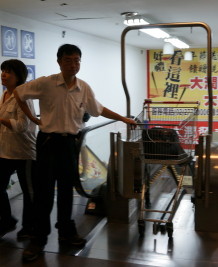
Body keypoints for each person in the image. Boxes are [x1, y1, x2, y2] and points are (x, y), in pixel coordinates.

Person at [14, 44, 137, 262]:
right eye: (69, 60)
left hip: (70, 144)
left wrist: (124, 119)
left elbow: (98, 109)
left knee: (65, 191)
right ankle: (38, 239)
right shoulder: (46, 83)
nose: (74, 64)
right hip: (48, 142)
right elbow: (19, 93)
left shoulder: (84, 88)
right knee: (43, 194)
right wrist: (33, 119)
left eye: (77, 60)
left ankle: (66, 233)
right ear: (59, 62)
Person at [0, 59, 36, 240]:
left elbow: (22, 125)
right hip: (5, 151)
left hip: (24, 152)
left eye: (8, 72)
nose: (3, 75)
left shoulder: (24, 97)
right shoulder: (5, 94)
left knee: (29, 193)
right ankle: (6, 220)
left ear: (18, 76)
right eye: (3, 71)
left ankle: (28, 228)